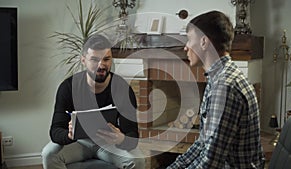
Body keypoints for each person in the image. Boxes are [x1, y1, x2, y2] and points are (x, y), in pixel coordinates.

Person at [167, 10, 265, 169]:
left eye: (189, 40)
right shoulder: (218, 77)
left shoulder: (224, 87)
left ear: (204, 42)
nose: (185, 47)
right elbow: (202, 144)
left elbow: (210, 162)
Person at [42, 34, 145, 169]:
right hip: (78, 142)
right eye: (95, 60)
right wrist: (68, 134)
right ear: (83, 60)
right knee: (48, 154)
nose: (101, 65)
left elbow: (133, 135)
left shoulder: (122, 88)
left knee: (138, 161)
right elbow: (55, 130)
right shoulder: (68, 87)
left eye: (106, 59)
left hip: (109, 144)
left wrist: (121, 139)